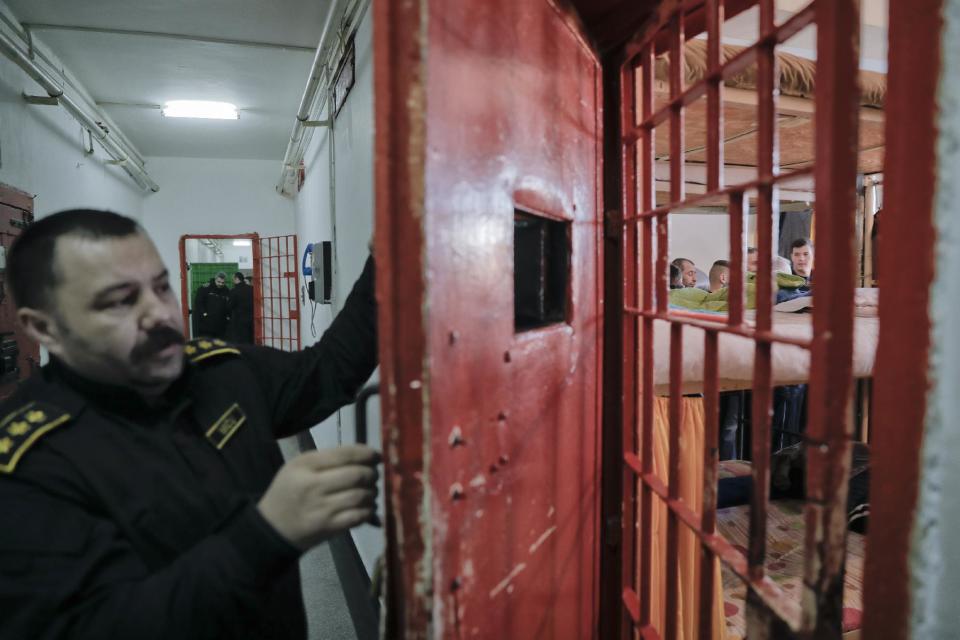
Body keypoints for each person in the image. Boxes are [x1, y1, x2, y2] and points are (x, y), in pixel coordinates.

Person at [0, 209, 380, 640]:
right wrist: (266, 534)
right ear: (43, 328)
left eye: (161, 287)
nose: (159, 314)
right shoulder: (29, 464)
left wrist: (383, 268)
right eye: (121, 301)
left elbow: (326, 372)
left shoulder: (219, 371)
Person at [194, 270, 231, 339]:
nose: (220, 284)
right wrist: (204, 314)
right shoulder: (205, 288)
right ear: (215, 279)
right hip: (207, 323)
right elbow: (199, 302)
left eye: (223, 282)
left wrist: (227, 317)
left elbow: (228, 305)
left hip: (220, 324)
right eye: (219, 282)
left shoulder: (226, 290)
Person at [227, 271, 254, 344]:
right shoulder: (252, 289)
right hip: (252, 319)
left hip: (239, 320)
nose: (232, 280)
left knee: (240, 341)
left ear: (236, 278)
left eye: (233, 278)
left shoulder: (234, 291)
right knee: (251, 339)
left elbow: (230, 306)